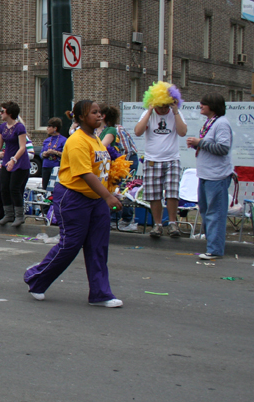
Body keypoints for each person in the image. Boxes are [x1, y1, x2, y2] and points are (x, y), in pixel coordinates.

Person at [24, 100, 124, 308]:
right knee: (70, 245)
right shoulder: (77, 140)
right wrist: (108, 196)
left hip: (96, 199)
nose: (99, 116)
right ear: (80, 118)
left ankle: (100, 293)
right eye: (93, 113)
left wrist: (110, 190)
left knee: (98, 246)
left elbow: (99, 169)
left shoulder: (95, 138)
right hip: (73, 197)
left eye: (99, 113)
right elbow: (85, 173)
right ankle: (36, 278)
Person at [133, 83, 187, 238]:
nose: (164, 109)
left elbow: (183, 132)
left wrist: (175, 111)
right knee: (154, 194)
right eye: (160, 106)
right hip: (152, 159)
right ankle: (157, 225)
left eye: (166, 105)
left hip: (172, 159)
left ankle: (172, 223)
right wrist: (150, 111)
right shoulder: (148, 114)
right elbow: (138, 132)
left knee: (172, 192)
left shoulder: (175, 113)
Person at [186, 93, 234, 260]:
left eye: (204, 103)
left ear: (212, 106)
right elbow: (210, 147)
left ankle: (215, 249)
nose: (201, 105)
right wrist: (196, 145)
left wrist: (200, 143)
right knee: (207, 212)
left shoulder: (221, 124)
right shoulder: (210, 123)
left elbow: (223, 148)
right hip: (206, 175)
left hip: (217, 176)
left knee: (215, 214)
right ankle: (211, 244)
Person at [0, 101, 31, 227]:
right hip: (6, 162)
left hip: (19, 162)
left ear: (9, 113)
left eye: (2, 111)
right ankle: (8, 214)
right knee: (3, 188)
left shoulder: (20, 127)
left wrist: (13, 160)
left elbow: (22, 147)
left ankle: (19, 216)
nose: (0, 113)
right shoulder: (3, 127)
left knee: (14, 189)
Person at [41, 117, 66, 191]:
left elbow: (66, 155)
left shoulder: (64, 140)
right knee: (45, 189)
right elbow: (41, 153)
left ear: (55, 128)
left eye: (49, 126)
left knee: (56, 189)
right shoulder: (47, 140)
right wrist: (44, 154)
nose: (47, 128)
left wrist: (55, 152)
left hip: (57, 168)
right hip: (46, 167)